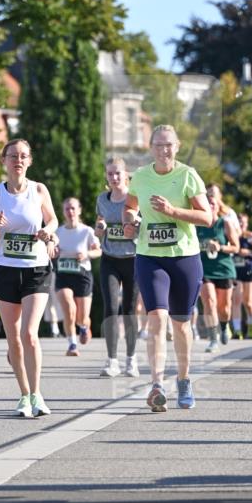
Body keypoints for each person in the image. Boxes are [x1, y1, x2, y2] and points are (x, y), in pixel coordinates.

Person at [123, 125, 212, 413]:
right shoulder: (141, 176)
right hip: (150, 256)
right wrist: (130, 220)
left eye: (169, 145)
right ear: (151, 147)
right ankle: (157, 385)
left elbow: (207, 217)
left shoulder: (187, 175)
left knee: (181, 323)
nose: (164, 150)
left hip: (184, 257)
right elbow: (130, 205)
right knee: (157, 317)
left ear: (178, 146)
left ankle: (184, 381)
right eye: (159, 145)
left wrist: (173, 212)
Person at [0, 138, 58, 418]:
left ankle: (38, 395)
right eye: (13, 156)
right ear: (4, 161)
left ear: (29, 161)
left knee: (29, 334)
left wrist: (48, 231)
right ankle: (24, 395)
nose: (18, 160)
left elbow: (53, 220)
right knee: (14, 340)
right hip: (5, 269)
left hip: (36, 267)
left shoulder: (39, 190)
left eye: (23, 156)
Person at [95, 158, 139, 377]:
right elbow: (100, 221)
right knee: (111, 307)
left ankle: (131, 359)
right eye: (110, 174)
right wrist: (100, 228)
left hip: (133, 259)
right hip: (109, 259)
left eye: (117, 174)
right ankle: (112, 360)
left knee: (129, 310)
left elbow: (145, 226)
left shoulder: (135, 198)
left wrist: (136, 225)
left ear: (126, 175)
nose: (114, 178)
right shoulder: (102, 199)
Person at [54, 197, 101, 357]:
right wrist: (55, 252)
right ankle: (72, 344)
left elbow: (98, 251)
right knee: (69, 309)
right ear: (63, 212)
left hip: (82, 275)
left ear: (79, 210)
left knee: (82, 317)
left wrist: (87, 254)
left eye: (73, 208)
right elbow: (50, 251)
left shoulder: (87, 231)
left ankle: (84, 327)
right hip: (63, 274)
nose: (70, 212)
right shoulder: (58, 232)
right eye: (67, 209)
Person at [197, 190, 240, 351]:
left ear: (217, 207)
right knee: (209, 301)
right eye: (206, 203)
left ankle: (223, 326)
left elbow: (236, 247)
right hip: (204, 270)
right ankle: (213, 338)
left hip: (224, 270)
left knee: (224, 308)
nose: (210, 206)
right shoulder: (196, 226)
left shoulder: (225, 223)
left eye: (213, 203)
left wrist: (220, 247)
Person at [230, 213, 252, 338]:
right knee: (236, 300)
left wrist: (248, 252)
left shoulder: (250, 236)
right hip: (236, 271)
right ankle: (237, 330)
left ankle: (251, 322)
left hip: (250, 270)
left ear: (247, 224)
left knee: (248, 301)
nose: (241, 224)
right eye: (239, 222)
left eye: (243, 222)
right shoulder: (231, 234)